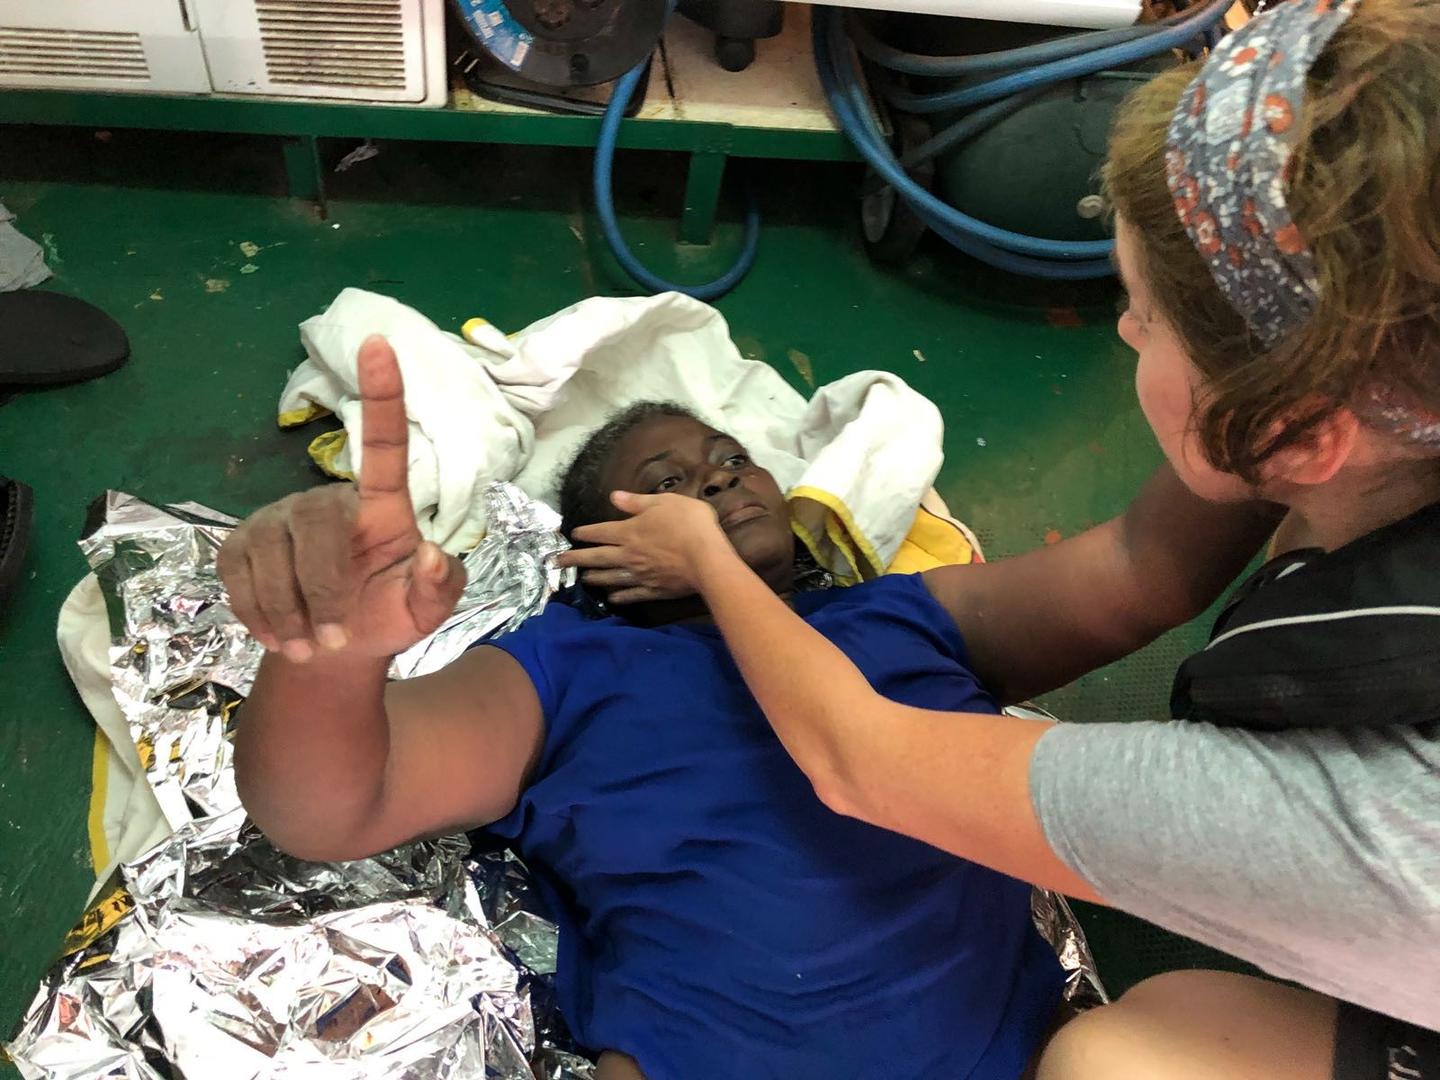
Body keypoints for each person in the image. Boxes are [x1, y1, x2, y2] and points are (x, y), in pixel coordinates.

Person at [559, 2, 1440, 1077]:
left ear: (1296, 430)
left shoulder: (1360, 819)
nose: (1121, 331)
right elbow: (1147, 564)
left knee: (1117, 1060)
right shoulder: (1395, 431)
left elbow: (857, 760)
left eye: (1146, 315)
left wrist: (701, 556)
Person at [220, 335, 1277, 1080]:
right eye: (667, 480)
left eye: (731, 459)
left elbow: (1145, 571)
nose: (720, 479)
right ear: (595, 557)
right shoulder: (565, 666)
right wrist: (331, 657)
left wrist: (1286, 381)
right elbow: (330, 808)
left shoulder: (903, 620)